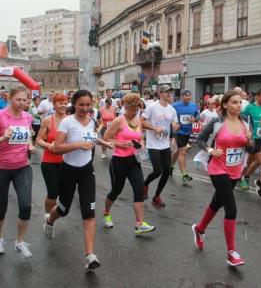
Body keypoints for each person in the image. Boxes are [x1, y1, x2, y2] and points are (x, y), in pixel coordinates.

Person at [44, 90, 113, 271]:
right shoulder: (67, 122)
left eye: (88, 104)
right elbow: (56, 148)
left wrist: (105, 143)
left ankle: (90, 255)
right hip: (68, 171)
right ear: (74, 104)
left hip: (86, 172)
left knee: (89, 212)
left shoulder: (91, 122)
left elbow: (90, 139)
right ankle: (50, 221)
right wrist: (77, 145)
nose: (85, 108)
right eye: (81, 104)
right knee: (63, 209)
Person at [192, 90, 252, 267]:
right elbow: (200, 140)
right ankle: (231, 252)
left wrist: (249, 141)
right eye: (234, 102)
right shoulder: (217, 121)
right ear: (225, 105)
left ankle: (199, 228)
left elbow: (250, 148)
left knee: (216, 202)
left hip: (235, 170)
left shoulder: (246, 123)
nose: (238, 106)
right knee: (231, 209)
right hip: (217, 168)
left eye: (240, 102)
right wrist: (211, 150)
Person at [0, 86, 35, 257]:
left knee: (26, 205)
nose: (22, 103)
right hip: (0, 169)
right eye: (18, 99)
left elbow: (27, 134)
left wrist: (30, 144)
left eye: (25, 100)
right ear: (10, 98)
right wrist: (3, 137)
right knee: (1, 207)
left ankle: (20, 241)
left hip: (22, 167)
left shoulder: (27, 117)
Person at [102, 93, 155, 234]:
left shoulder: (138, 121)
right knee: (116, 191)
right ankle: (106, 213)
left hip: (134, 160)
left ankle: (139, 224)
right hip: (119, 161)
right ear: (125, 107)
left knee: (139, 191)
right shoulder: (118, 121)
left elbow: (140, 137)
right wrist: (121, 144)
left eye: (137, 111)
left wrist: (142, 144)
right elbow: (106, 138)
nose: (134, 113)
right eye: (132, 110)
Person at [141, 84, 179, 207]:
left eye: (171, 92)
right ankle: (145, 184)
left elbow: (175, 124)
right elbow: (141, 122)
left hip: (165, 144)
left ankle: (156, 196)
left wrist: (175, 127)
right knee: (157, 171)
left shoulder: (172, 109)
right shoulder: (152, 107)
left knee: (167, 171)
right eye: (167, 92)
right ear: (161, 93)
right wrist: (155, 128)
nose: (169, 94)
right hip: (153, 144)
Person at [36, 93, 68, 218]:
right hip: (49, 161)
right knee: (53, 193)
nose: (63, 105)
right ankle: (49, 216)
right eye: (60, 103)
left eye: (65, 103)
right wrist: (49, 146)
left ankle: (56, 212)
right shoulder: (48, 120)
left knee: (64, 192)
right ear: (54, 104)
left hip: (67, 162)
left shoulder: (71, 120)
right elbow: (38, 140)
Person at [239, 88, 261, 190]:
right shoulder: (250, 107)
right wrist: (245, 131)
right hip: (252, 138)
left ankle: (243, 176)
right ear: (257, 97)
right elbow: (240, 117)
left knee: (251, 161)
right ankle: (244, 178)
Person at [171, 90, 199, 182]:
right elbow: (170, 117)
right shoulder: (175, 106)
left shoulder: (193, 106)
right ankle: (184, 174)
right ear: (182, 96)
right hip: (178, 132)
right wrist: (174, 124)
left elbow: (197, 117)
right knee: (182, 152)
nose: (188, 97)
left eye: (189, 95)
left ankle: (170, 167)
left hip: (188, 131)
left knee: (179, 151)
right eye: (186, 96)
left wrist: (194, 119)